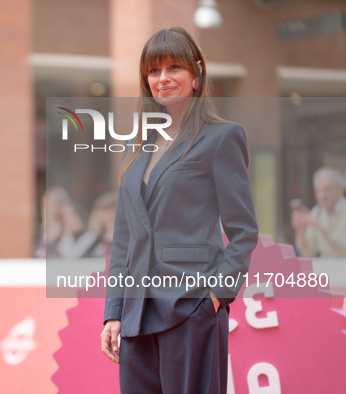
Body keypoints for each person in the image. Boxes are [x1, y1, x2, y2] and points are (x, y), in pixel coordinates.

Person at [100, 27, 258, 393]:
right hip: (137, 313)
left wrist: (216, 296)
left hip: (192, 307)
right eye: (153, 71)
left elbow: (243, 231)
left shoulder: (221, 138)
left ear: (196, 74)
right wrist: (113, 312)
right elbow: (125, 238)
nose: (163, 79)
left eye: (174, 68)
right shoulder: (135, 145)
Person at [291, 167, 346, 258]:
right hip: (325, 270)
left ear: (340, 190)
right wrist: (299, 231)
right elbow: (308, 254)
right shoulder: (317, 212)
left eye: (327, 190)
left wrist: (321, 227)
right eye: (318, 191)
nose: (322, 196)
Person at [87, 192, 118, 258]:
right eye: (100, 212)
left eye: (106, 212)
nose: (102, 216)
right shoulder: (96, 236)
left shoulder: (121, 235)